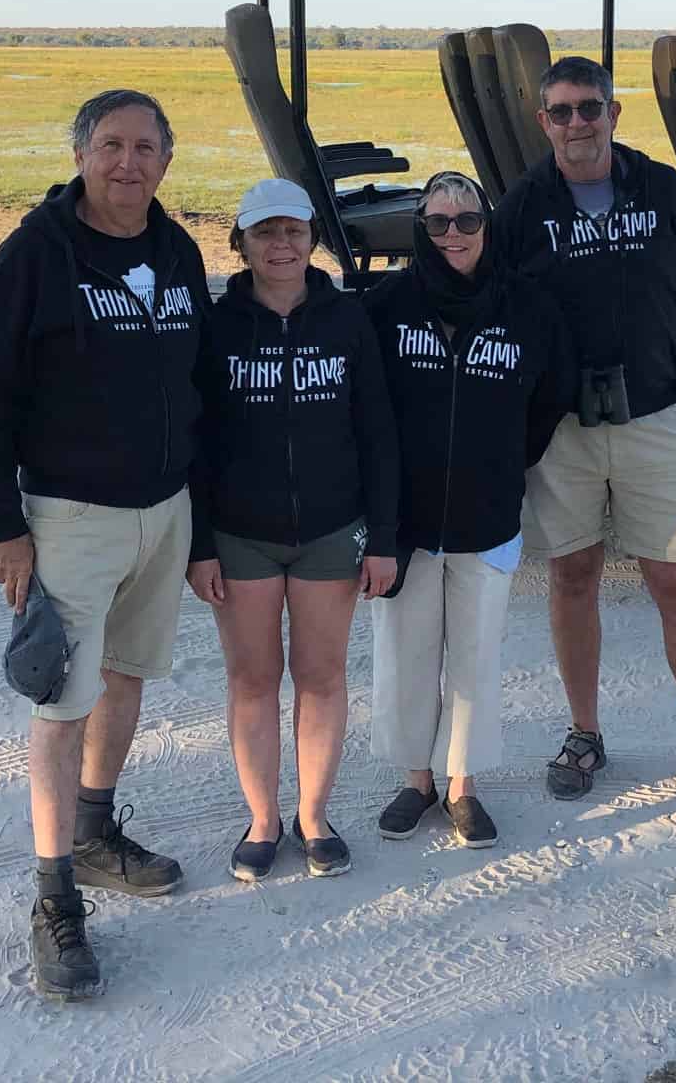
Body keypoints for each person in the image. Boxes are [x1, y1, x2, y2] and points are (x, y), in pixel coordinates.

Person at [0, 88, 209, 1002]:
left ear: (166, 162)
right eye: (111, 146)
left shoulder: (177, 253)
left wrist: (199, 524)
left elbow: (199, 388)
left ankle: (98, 834)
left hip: (165, 511)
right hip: (68, 518)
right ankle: (54, 897)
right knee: (62, 703)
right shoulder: (33, 258)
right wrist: (3, 524)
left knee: (128, 676)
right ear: (81, 155)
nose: (128, 163)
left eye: (146, 148)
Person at [493, 55, 676, 823]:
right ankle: (585, 733)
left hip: (656, 420)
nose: (578, 123)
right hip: (565, 430)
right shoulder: (523, 207)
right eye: (563, 111)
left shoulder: (661, 190)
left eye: (591, 108)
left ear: (614, 113)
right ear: (544, 122)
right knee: (572, 578)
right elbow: (501, 309)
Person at [187, 178, 399, 882]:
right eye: (264, 232)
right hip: (240, 534)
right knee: (253, 680)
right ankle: (262, 820)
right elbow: (197, 442)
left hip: (331, 532)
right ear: (241, 243)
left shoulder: (347, 320)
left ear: (313, 239)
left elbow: (378, 433)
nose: (280, 245)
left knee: (321, 677)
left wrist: (386, 539)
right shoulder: (216, 327)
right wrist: (199, 545)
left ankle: (313, 816)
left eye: (293, 231)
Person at [364, 171, 573, 848]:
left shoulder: (529, 307)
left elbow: (551, 395)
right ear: (419, 229)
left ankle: (463, 786)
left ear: (488, 225)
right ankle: (417, 779)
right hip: (406, 522)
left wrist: (505, 458)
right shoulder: (387, 305)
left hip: (488, 516)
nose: (453, 234)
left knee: (476, 658)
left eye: (467, 220)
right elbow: (364, 409)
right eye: (437, 222)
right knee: (406, 653)